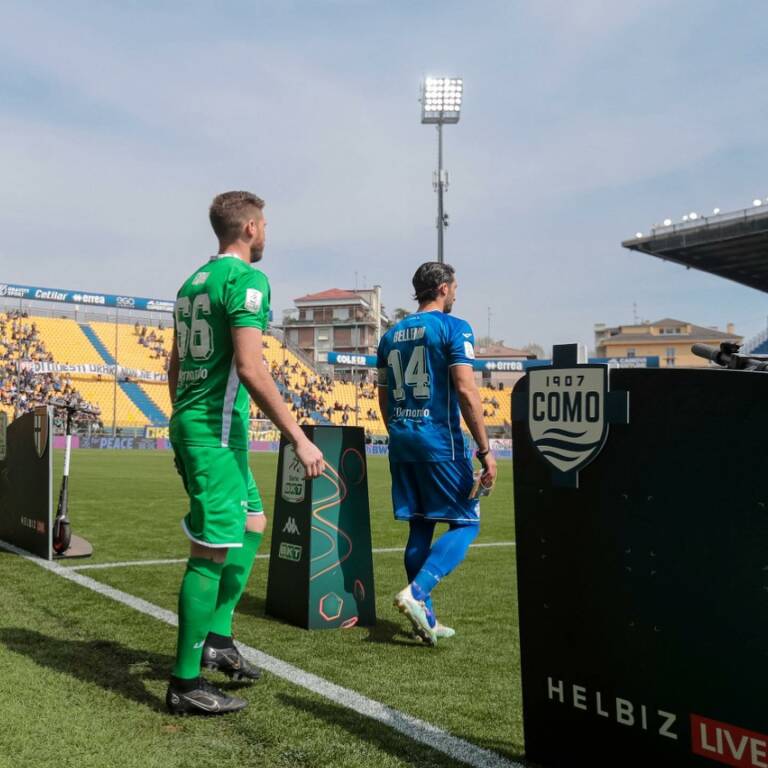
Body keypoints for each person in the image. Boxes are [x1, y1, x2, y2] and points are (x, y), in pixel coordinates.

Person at [166, 190, 324, 715]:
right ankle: (185, 684)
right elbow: (252, 369)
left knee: (253, 523)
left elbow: (174, 364)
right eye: (266, 226)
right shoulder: (247, 280)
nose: (268, 235)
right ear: (252, 228)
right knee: (209, 550)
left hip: (207, 426)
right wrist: (298, 437)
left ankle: (218, 637)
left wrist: (179, 420)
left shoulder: (192, 283)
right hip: (212, 430)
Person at [376, 261, 497, 646]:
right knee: (466, 523)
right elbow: (464, 389)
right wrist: (485, 449)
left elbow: (381, 394)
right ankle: (416, 593)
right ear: (443, 288)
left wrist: (398, 429)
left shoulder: (391, 334)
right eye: (455, 286)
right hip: (439, 442)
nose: (457, 293)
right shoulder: (454, 327)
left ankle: (425, 618)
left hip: (401, 441)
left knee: (421, 525)